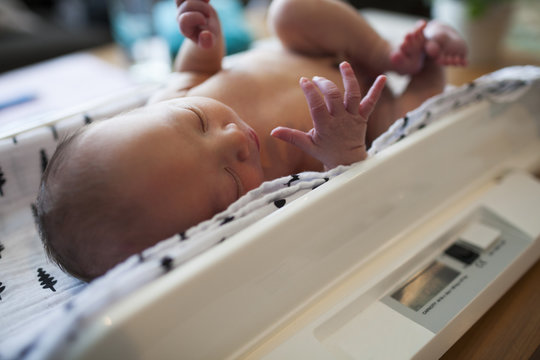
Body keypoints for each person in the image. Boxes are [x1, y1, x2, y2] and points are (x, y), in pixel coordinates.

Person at [36, 0, 467, 281]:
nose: (232, 141)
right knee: (411, 127)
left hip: (318, 48)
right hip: (372, 116)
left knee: (289, 11)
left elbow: (194, 70)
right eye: (230, 180)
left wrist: (203, 41)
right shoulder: (266, 210)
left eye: (197, 121)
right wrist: (341, 150)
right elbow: (340, 193)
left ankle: (386, 53)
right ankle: (429, 66)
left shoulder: (169, 96)